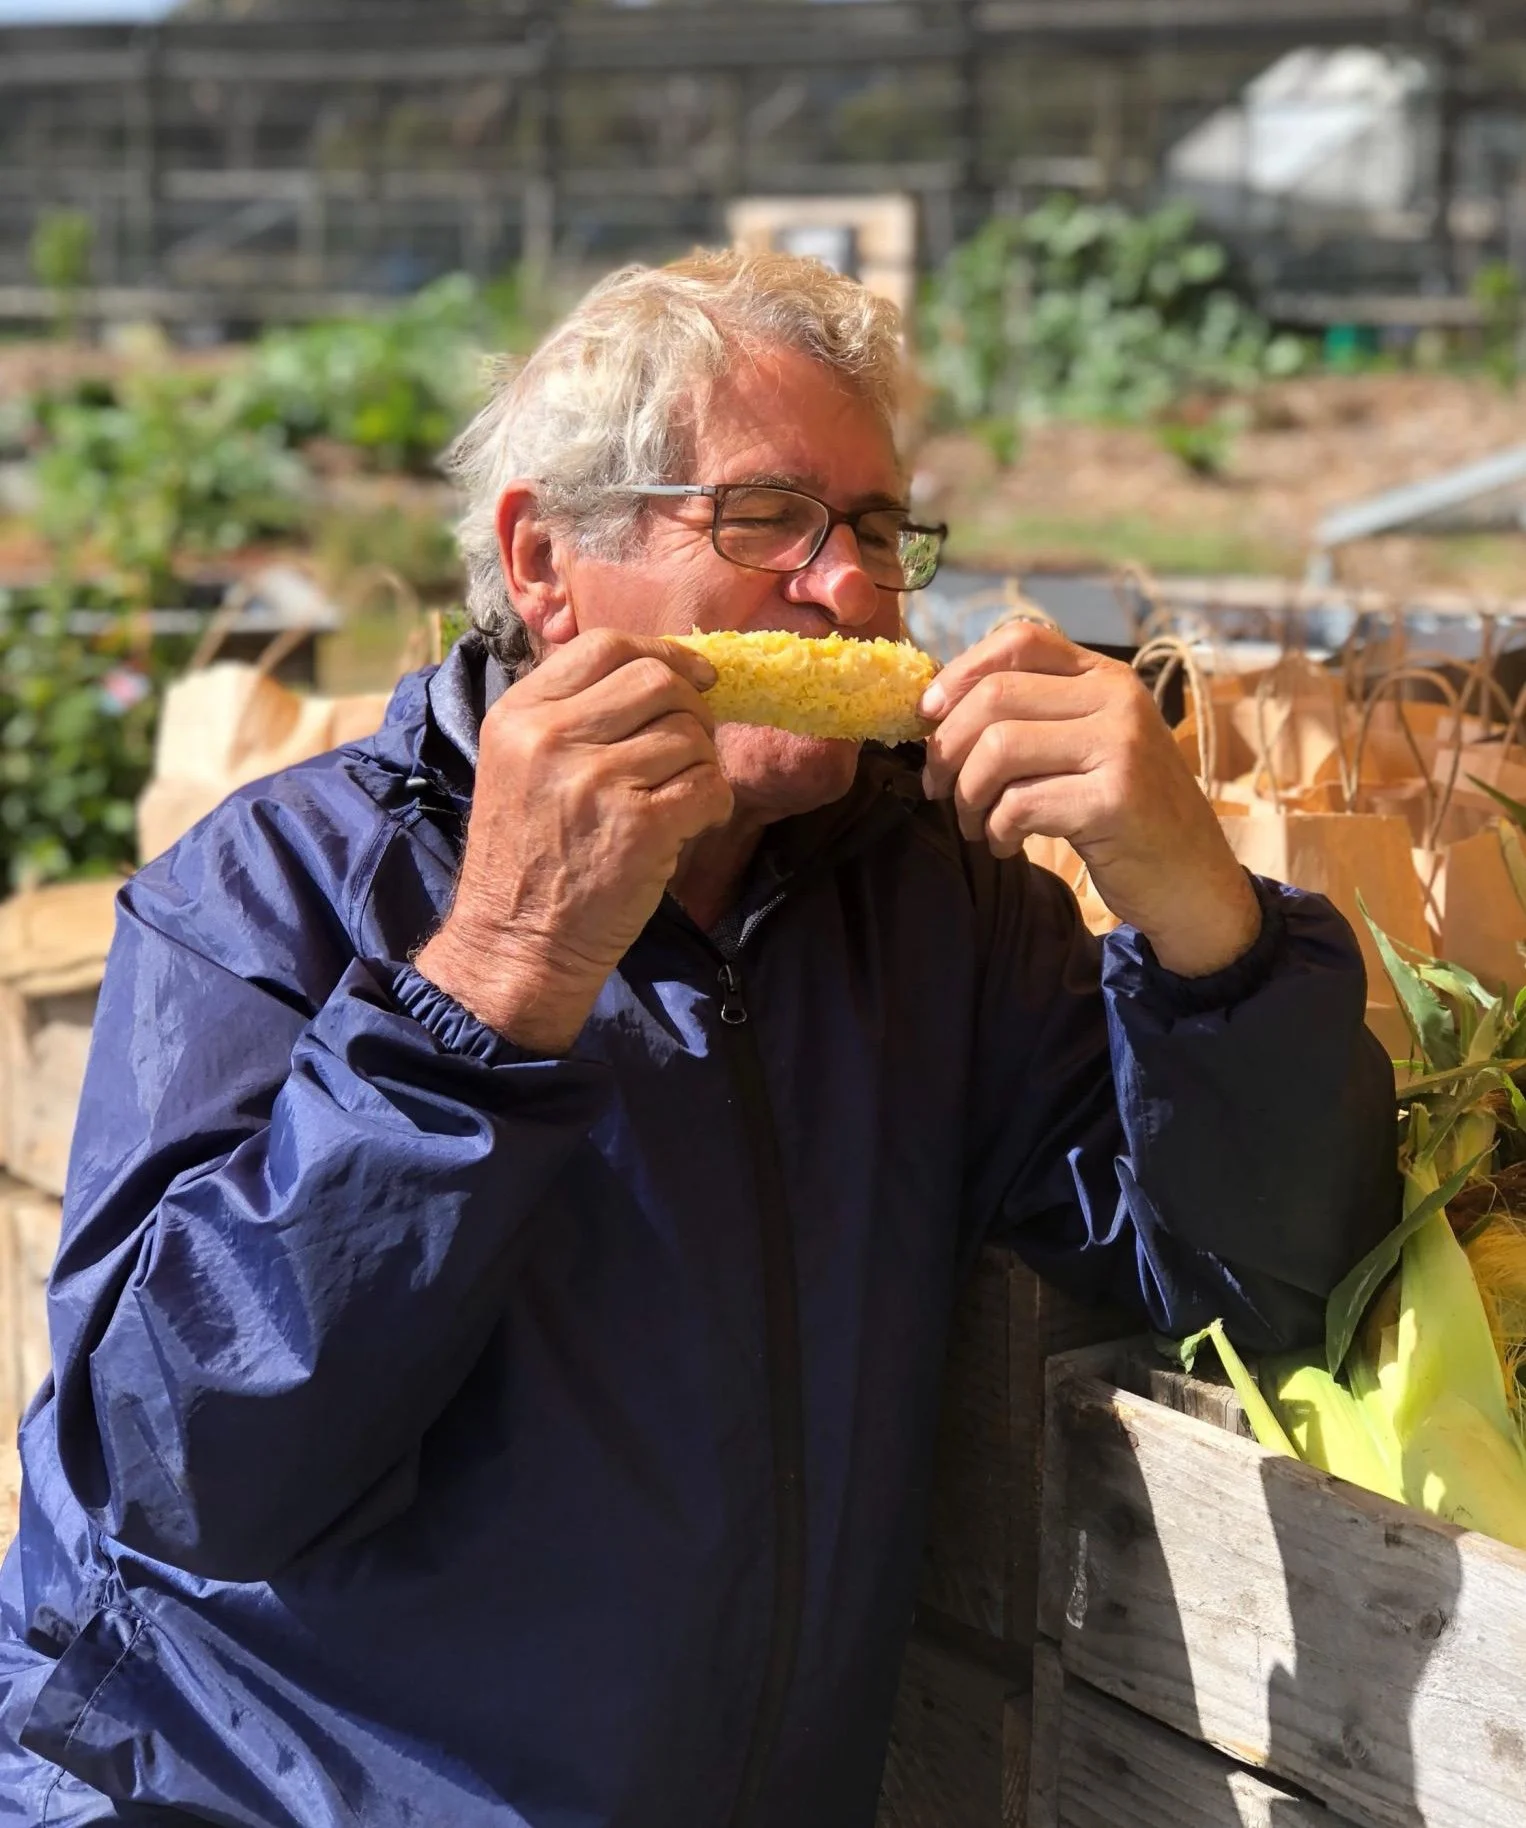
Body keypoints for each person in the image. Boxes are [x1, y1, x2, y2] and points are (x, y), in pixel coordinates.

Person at [0, 251, 1395, 1827]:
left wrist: (1201, 917)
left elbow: (1271, 1286)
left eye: (875, 528)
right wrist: (499, 976)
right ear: (545, 564)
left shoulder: (938, 907)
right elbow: (182, 1466)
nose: (850, 587)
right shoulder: (272, 895)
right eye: (764, 519)